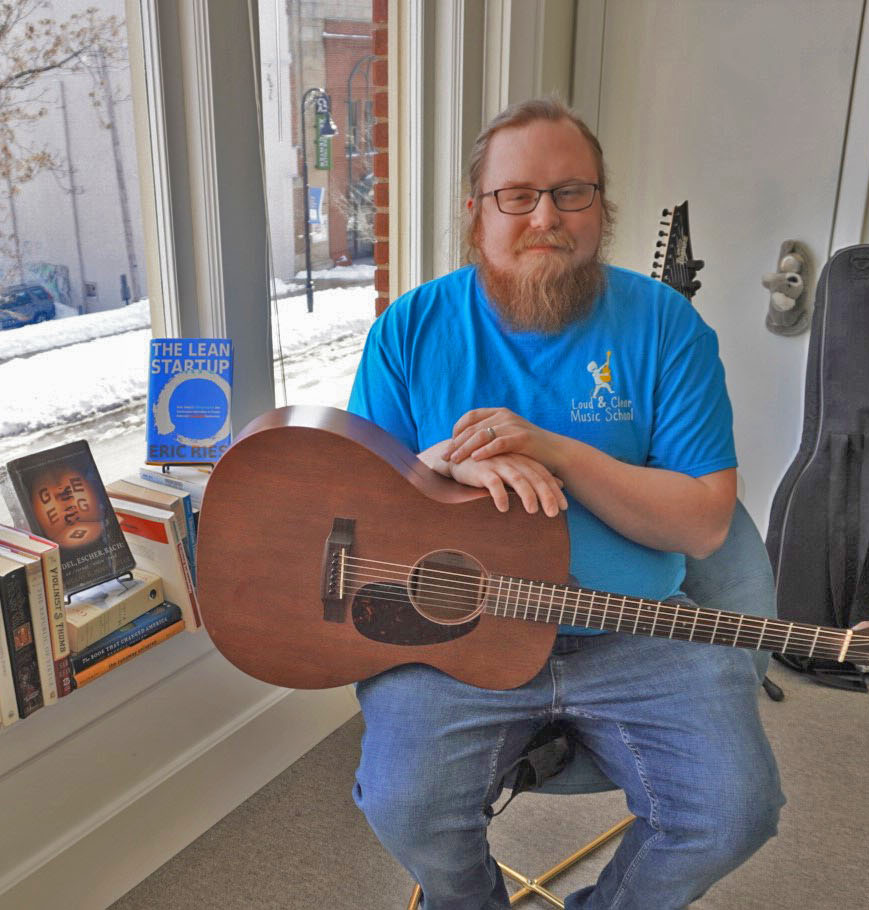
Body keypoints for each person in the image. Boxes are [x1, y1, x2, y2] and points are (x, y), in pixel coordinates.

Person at [346, 97, 784, 910]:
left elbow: (701, 521)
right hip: (458, 634)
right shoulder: (409, 329)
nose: (544, 216)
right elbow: (361, 507)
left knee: (733, 814)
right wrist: (440, 467)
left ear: (600, 208)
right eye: (517, 195)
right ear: (476, 214)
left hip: (638, 629)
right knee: (404, 806)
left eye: (570, 193)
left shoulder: (666, 328)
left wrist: (554, 449)